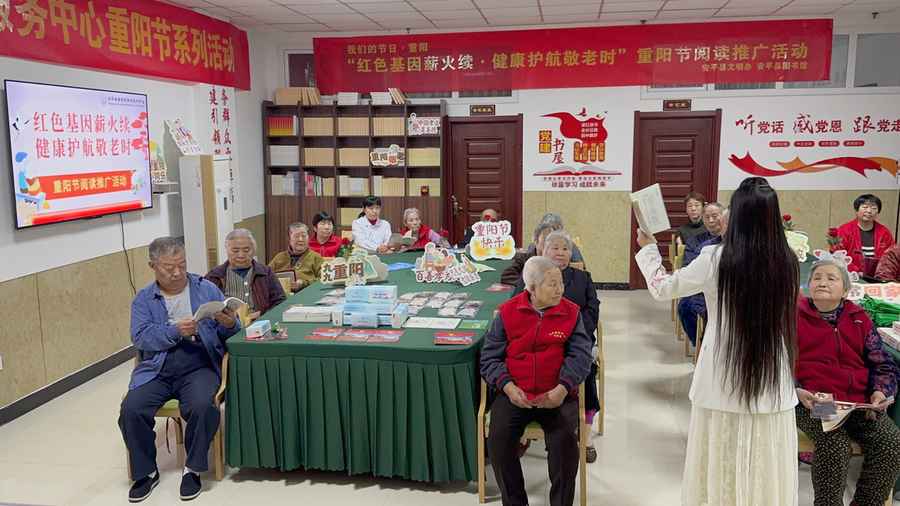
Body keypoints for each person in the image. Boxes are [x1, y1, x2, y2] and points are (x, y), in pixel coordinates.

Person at [635, 176, 800, 505]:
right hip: (772, 372)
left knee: (721, 454)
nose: (722, 216)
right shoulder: (787, 261)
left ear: (738, 217)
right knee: (764, 457)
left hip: (722, 371)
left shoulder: (715, 258)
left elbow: (663, 288)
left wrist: (648, 249)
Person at [119, 237, 241, 503]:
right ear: (153, 266)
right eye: (169, 267)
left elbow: (229, 332)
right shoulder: (143, 299)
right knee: (131, 410)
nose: (177, 272)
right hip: (157, 367)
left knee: (202, 407)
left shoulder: (206, 288)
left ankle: (193, 469)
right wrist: (174, 331)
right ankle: (146, 472)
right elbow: (140, 337)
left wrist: (231, 323)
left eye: (182, 265)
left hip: (199, 363)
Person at [481, 256, 592, 506]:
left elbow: (581, 356)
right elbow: (489, 357)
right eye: (552, 285)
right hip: (515, 392)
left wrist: (563, 388)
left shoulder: (571, 313)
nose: (560, 289)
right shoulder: (508, 312)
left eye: (561, 283)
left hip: (556, 393)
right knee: (499, 439)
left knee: (564, 442)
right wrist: (508, 386)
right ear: (532, 288)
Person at [795, 258, 900, 506]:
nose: (822, 282)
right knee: (835, 444)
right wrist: (796, 388)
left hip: (858, 403)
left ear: (845, 290)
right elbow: (777, 363)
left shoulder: (860, 318)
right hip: (815, 401)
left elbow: (884, 364)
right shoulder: (792, 317)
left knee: (891, 442)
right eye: (817, 278)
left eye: (831, 278)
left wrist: (880, 391)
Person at [513, 230, 601, 463]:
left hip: (576, 339)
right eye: (555, 248)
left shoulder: (582, 278)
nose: (561, 252)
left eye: (565, 248)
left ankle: (586, 434)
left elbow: (592, 311)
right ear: (543, 251)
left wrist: (572, 333)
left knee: (585, 368)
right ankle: (521, 428)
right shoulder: (530, 278)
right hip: (536, 340)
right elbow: (517, 307)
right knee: (520, 364)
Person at [204, 229, 285, 319]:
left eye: (246, 250)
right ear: (227, 250)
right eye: (235, 251)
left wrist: (261, 315)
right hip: (227, 326)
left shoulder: (266, 273)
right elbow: (205, 309)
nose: (241, 255)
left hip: (262, 322)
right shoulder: (214, 276)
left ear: (253, 250)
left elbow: (280, 302)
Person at [678, 205, 727, 347]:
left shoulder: (736, 243)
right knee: (685, 307)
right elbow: (688, 269)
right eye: (707, 217)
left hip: (724, 288)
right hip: (700, 287)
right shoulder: (696, 242)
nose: (711, 220)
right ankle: (699, 343)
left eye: (715, 216)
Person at [835, 194, 895, 274]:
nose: (869, 211)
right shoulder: (844, 230)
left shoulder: (885, 232)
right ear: (856, 211)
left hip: (878, 275)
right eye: (865, 207)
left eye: (874, 208)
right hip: (851, 275)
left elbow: (892, 257)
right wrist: (857, 272)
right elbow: (838, 256)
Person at [268, 222, 324, 292]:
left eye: (304, 236)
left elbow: (324, 279)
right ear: (289, 240)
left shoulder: (315, 257)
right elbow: (266, 276)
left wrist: (304, 283)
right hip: (281, 294)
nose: (301, 239)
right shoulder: (279, 257)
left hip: (307, 293)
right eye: (297, 236)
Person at [500, 221, 554, 286]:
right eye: (545, 239)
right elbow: (507, 275)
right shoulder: (524, 259)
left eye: (551, 240)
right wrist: (530, 285)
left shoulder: (557, 260)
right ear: (535, 241)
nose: (548, 243)